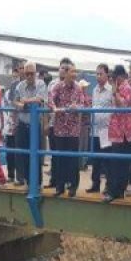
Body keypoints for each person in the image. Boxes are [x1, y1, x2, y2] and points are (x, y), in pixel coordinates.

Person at [49, 62, 89, 197]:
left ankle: (73, 186)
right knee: (60, 158)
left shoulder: (78, 88)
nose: (74, 74)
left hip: (73, 130)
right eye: (72, 72)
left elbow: (83, 103)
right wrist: (54, 108)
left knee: (73, 159)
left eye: (75, 72)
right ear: (65, 73)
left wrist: (76, 107)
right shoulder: (57, 86)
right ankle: (60, 187)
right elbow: (50, 99)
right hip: (60, 129)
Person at [14, 61, 48, 186]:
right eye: (27, 73)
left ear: (35, 73)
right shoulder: (19, 86)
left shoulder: (41, 84)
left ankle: (37, 184)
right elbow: (15, 102)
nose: (29, 76)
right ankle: (29, 182)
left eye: (31, 74)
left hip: (35, 125)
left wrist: (25, 101)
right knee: (24, 155)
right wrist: (21, 104)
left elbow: (39, 100)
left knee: (37, 156)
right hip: (22, 124)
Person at [105, 65, 131, 203]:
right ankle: (116, 190)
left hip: (122, 131)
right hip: (117, 129)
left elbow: (122, 106)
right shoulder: (119, 87)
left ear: (119, 77)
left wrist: (115, 92)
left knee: (118, 162)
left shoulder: (126, 87)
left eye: (114, 77)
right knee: (117, 161)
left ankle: (116, 191)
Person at [46, 58, 72, 189]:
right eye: (62, 68)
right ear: (59, 69)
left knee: (66, 155)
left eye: (67, 69)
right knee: (54, 153)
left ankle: (66, 180)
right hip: (53, 123)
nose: (64, 71)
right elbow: (48, 103)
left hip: (67, 127)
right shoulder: (52, 84)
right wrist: (46, 123)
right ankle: (54, 180)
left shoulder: (73, 85)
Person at [89, 63, 114, 194]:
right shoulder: (94, 90)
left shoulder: (111, 90)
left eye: (100, 74)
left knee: (107, 160)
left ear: (107, 75)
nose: (98, 76)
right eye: (96, 74)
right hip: (95, 129)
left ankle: (108, 186)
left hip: (106, 130)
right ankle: (95, 184)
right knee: (95, 159)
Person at [5, 64, 24, 184]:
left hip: (24, 122)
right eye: (19, 69)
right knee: (10, 151)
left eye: (23, 68)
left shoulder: (35, 85)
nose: (21, 71)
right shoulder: (13, 85)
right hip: (12, 121)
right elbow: (13, 102)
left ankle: (21, 177)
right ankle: (11, 175)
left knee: (21, 152)